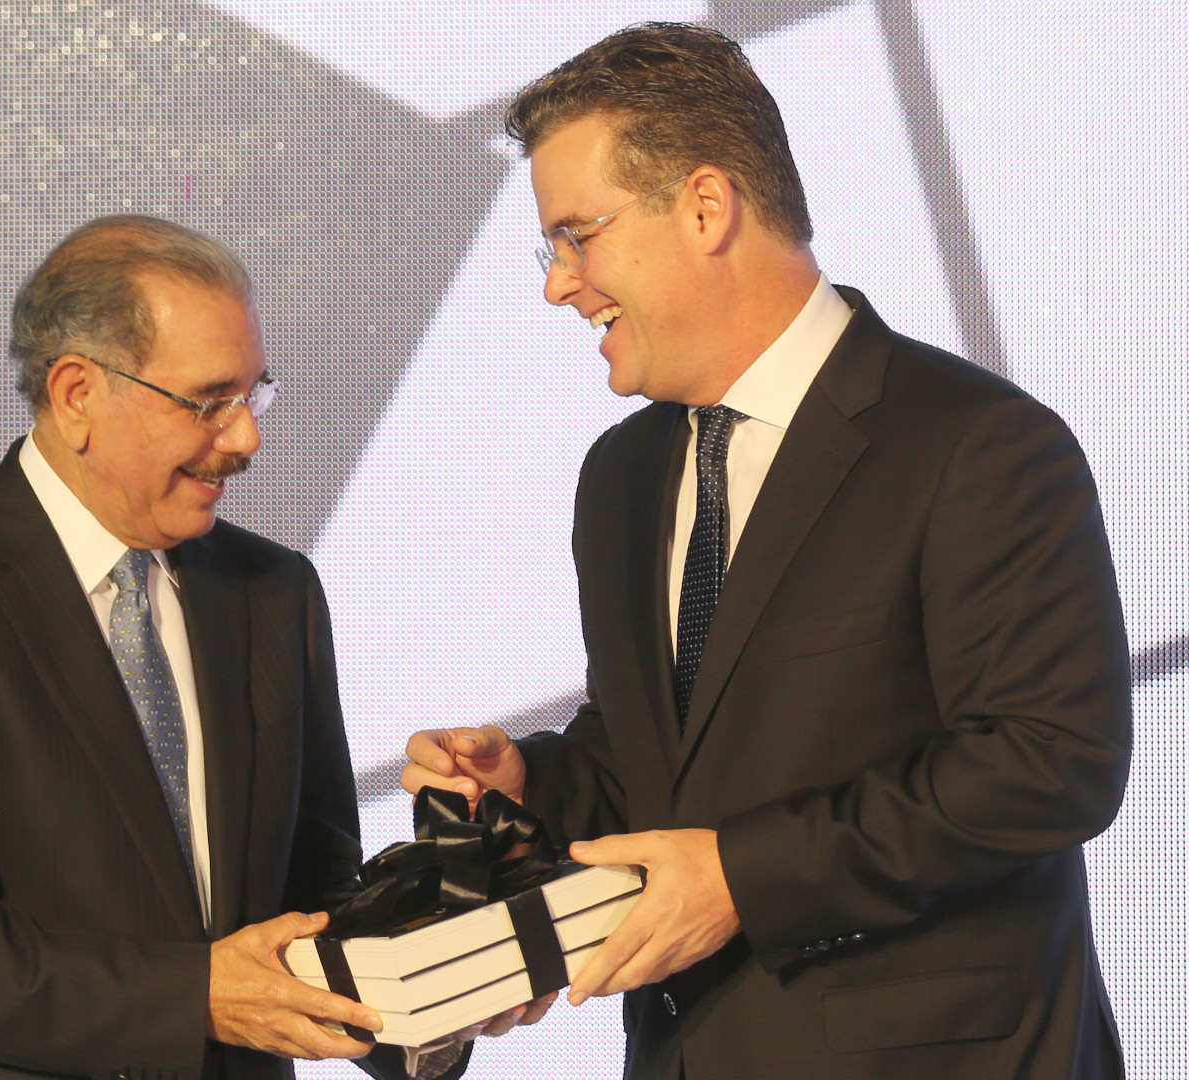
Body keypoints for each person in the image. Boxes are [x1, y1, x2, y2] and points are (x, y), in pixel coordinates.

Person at [402, 24, 1131, 1079]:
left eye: (578, 236)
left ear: (706, 206)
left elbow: (1049, 763)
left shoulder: (976, 443)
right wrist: (534, 784)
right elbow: (667, 759)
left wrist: (741, 879)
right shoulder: (622, 477)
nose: (559, 284)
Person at [0, 216, 494, 1079]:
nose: (246, 438)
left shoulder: (273, 594)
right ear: (77, 395)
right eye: (209, 402)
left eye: (255, 394)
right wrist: (190, 997)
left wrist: (450, 978)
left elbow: (313, 898)